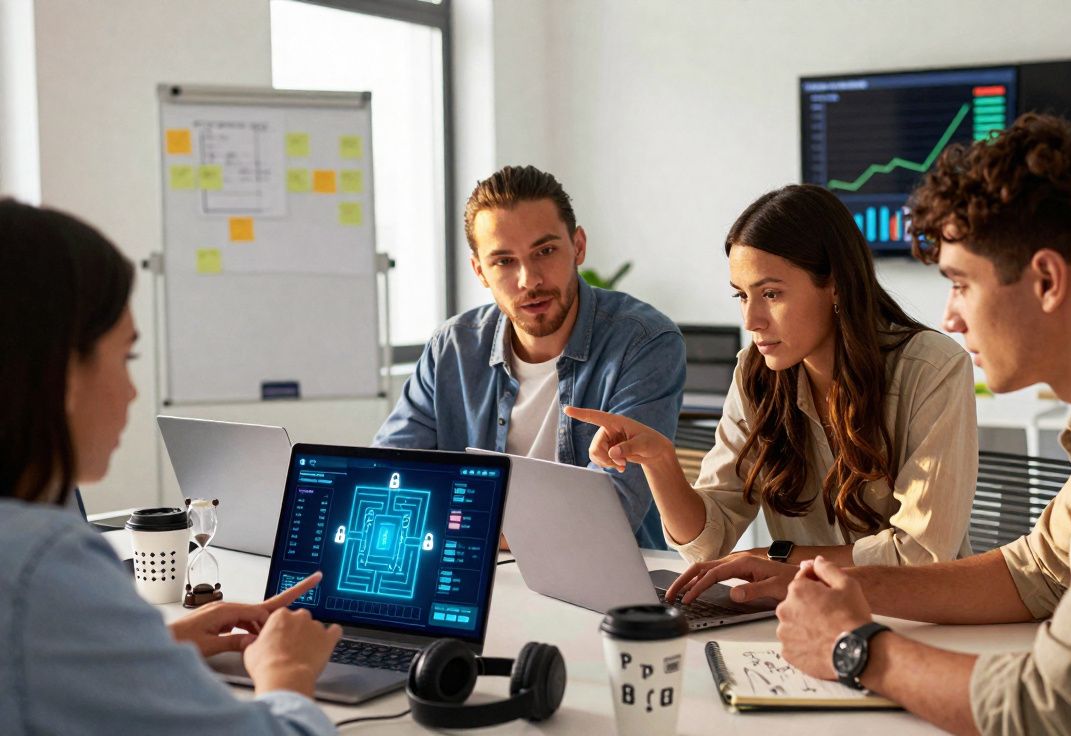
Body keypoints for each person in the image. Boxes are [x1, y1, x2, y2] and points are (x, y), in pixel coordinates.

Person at [687, 115, 1071, 734]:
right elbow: (1035, 572)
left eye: (961, 283)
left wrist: (858, 649)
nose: (950, 317)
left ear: (1046, 280)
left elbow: (1068, 712)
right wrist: (837, 587)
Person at [0, 199, 342, 734]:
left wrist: (155, 646)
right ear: (64, 372)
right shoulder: (41, 564)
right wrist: (286, 672)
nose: (134, 390)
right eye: (126, 357)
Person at [567, 183, 978, 600]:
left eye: (771, 294)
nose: (752, 319)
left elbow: (923, 555)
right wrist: (660, 462)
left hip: (921, 617)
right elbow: (707, 543)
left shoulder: (933, 369)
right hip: (806, 616)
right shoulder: (756, 373)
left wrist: (779, 557)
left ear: (835, 283)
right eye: (741, 296)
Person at [372, 165, 685, 549]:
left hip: (604, 578)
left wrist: (466, 529)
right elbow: (389, 478)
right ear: (480, 271)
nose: (529, 280)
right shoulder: (452, 347)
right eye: (504, 261)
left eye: (546, 251)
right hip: (482, 575)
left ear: (579, 246)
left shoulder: (644, 342)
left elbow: (611, 511)